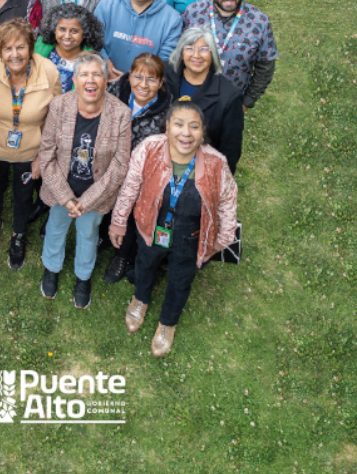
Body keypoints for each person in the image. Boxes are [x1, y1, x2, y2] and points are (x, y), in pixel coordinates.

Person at [109, 101, 238, 356]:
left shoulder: (217, 163)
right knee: (144, 264)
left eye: (194, 127)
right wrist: (119, 220)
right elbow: (130, 187)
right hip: (151, 225)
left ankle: (168, 322)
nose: (186, 133)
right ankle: (140, 298)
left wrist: (221, 241)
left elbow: (227, 202)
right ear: (167, 127)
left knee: (181, 280)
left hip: (191, 235)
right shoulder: (149, 148)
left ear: (203, 132)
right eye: (179, 124)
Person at [37, 52, 131, 306]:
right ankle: (52, 267)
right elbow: (46, 154)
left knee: (88, 234)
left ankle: (83, 276)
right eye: (84, 75)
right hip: (61, 188)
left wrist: (87, 201)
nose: (90, 80)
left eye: (97, 74)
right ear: (75, 81)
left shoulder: (121, 113)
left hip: (96, 192)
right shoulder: (59, 106)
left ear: (106, 80)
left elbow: (120, 164)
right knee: (56, 227)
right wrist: (66, 198)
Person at [0, 20, 62, 269]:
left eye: (20, 47)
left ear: (31, 47)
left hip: (29, 151)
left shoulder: (49, 72)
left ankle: (18, 234)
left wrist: (41, 157)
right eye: (7, 48)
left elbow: (55, 120)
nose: (14, 54)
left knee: (23, 195)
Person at [102, 53, 174, 283]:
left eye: (151, 79)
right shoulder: (116, 90)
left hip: (141, 176)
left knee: (131, 213)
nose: (143, 85)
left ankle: (122, 256)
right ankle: (103, 235)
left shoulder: (168, 110)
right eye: (138, 77)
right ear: (130, 75)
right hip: (110, 163)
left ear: (161, 83)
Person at [182, 0, 278, 110]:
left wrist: (247, 102)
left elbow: (265, 66)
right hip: (191, 98)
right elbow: (177, 53)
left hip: (230, 103)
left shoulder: (260, 22)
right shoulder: (193, 13)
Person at [165, 26, 244, 172]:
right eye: (189, 48)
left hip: (198, 171)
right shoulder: (164, 74)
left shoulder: (228, 97)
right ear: (181, 53)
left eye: (203, 49)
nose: (196, 55)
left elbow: (230, 150)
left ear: (213, 54)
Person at [95, 0, 182, 80]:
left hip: (145, 85)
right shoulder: (106, 6)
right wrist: (104, 62)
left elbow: (165, 61)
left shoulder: (172, 19)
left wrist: (134, 78)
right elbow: (94, 41)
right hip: (105, 79)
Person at [34, 4, 105, 93]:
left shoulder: (93, 61)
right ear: (54, 30)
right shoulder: (40, 46)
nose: (67, 36)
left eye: (74, 31)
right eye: (62, 29)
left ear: (85, 34)